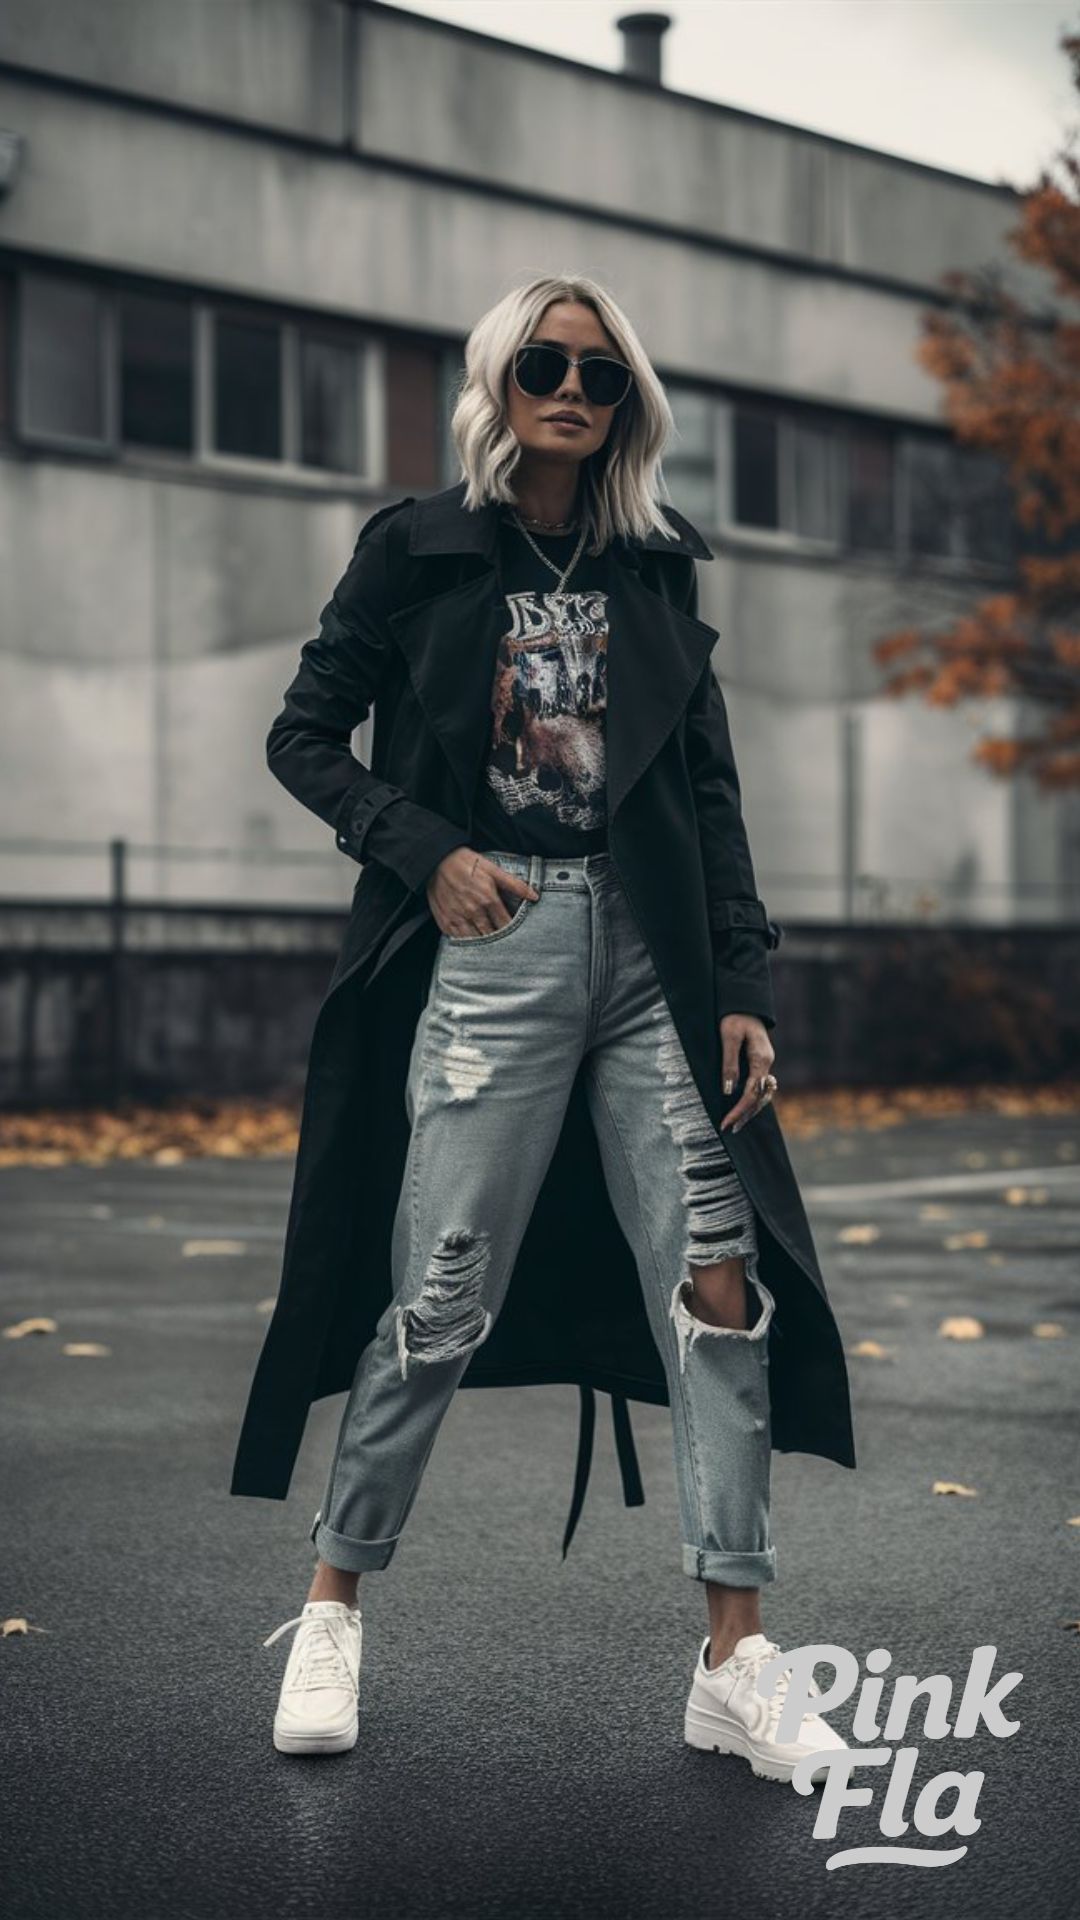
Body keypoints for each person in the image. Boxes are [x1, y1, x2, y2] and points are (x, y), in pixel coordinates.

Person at [255, 274, 852, 1783]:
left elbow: (708, 798)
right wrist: (424, 851)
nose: (571, 388)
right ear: (497, 384)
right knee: (438, 1291)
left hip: (654, 960)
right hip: (500, 947)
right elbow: (304, 737)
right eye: (543, 364)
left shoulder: (653, 569)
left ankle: (736, 1657)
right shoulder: (420, 550)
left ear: (626, 401)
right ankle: (333, 1606)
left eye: (598, 371)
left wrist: (744, 986)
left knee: (722, 1290)